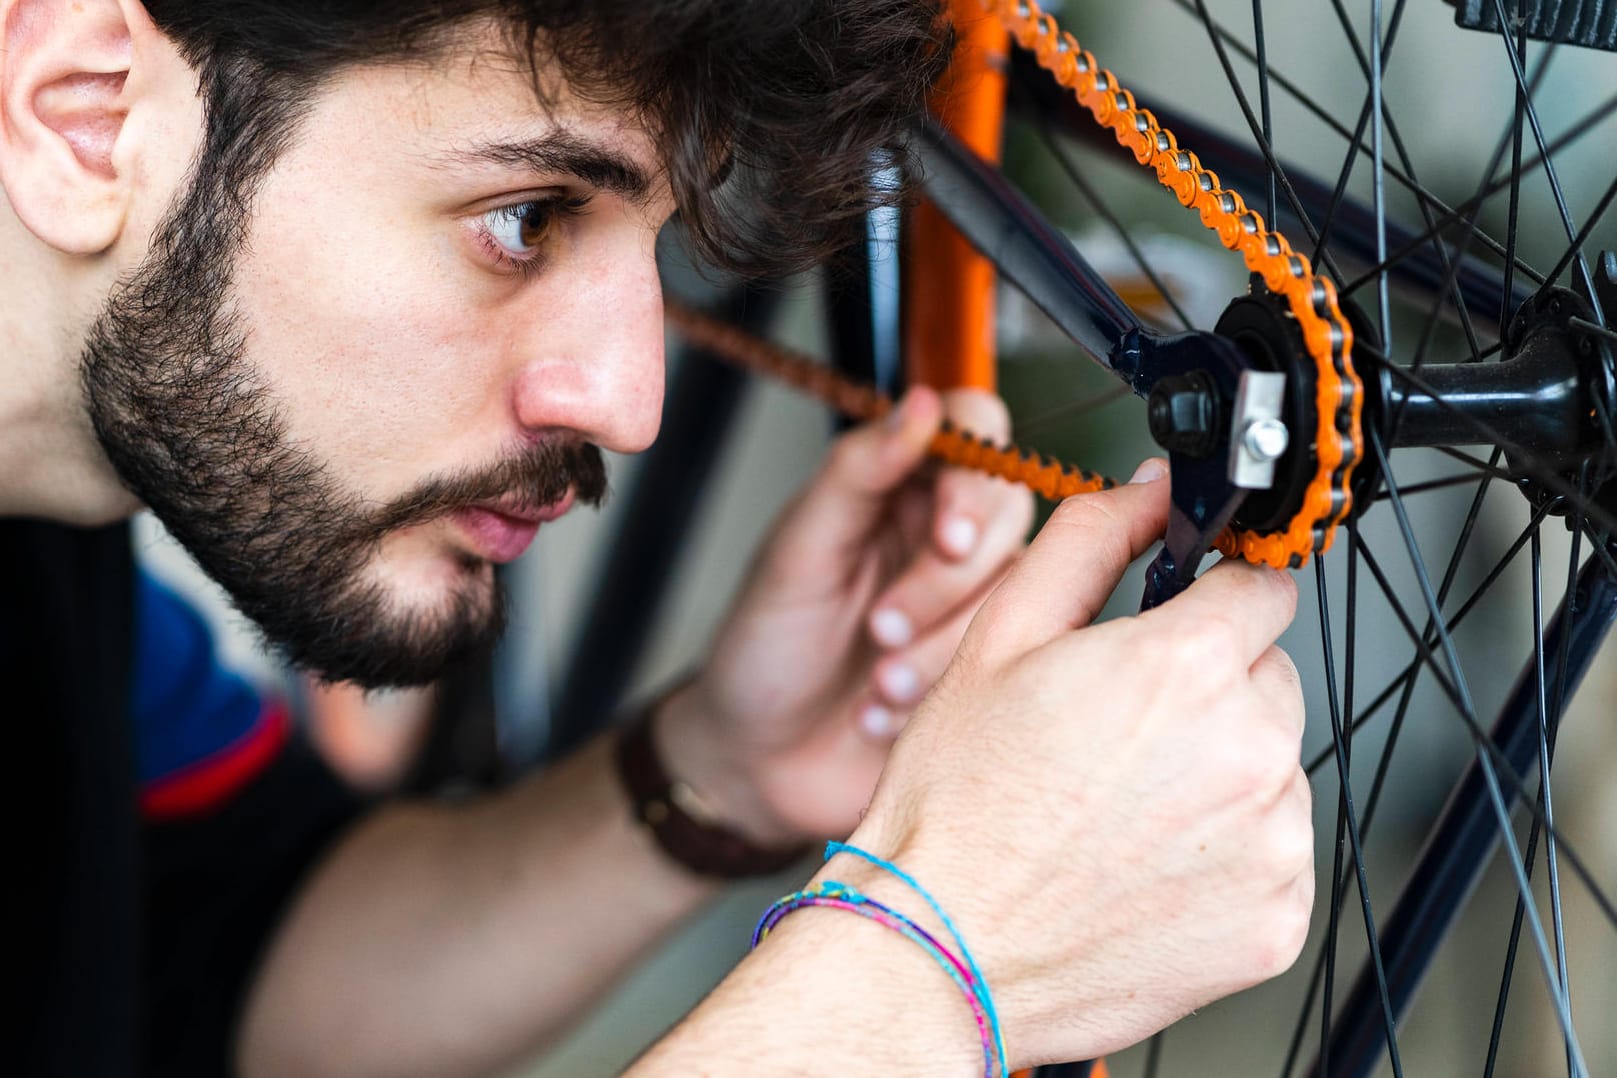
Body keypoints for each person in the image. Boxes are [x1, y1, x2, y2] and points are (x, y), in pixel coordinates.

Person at [0, 0, 1313, 1075]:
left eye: (656, 243)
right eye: (524, 219)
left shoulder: (62, 523)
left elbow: (214, 951)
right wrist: (931, 964)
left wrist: (713, 772)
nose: (627, 405)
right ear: (85, 120)